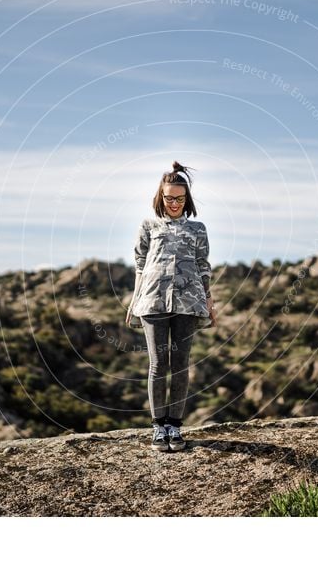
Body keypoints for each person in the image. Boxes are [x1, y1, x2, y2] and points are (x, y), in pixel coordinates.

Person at [124, 161, 217, 452]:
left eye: (179, 198)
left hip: (188, 303)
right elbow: (140, 264)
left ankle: (175, 427)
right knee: (157, 364)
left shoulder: (198, 229)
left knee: (180, 365)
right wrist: (134, 299)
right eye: (169, 198)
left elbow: (203, 265)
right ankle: (157, 428)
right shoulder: (148, 226)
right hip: (152, 300)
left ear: (186, 199)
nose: (174, 203)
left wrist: (209, 298)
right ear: (160, 197)